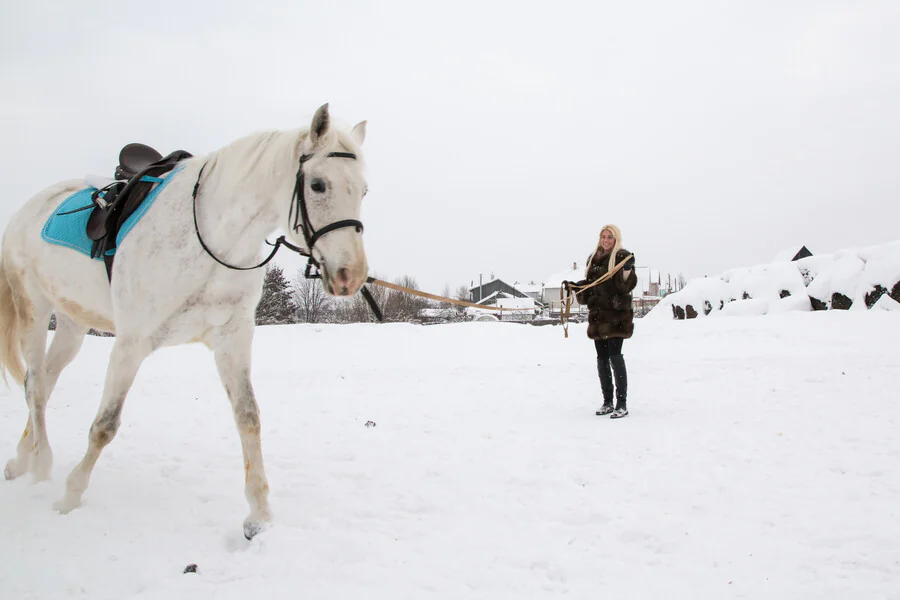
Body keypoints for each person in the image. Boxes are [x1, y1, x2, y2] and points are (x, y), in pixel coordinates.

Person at [564, 225, 637, 418]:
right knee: (602, 358)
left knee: (615, 356)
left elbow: (625, 286)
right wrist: (575, 287)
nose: (606, 240)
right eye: (603, 237)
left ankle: (622, 403)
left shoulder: (622, 257)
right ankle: (607, 401)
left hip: (616, 316)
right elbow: (590, 288)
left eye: (610, 237)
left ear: (616, 239)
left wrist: (628, 270)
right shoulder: (593, 260)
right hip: (598, 317)